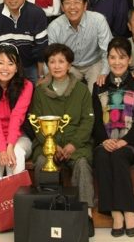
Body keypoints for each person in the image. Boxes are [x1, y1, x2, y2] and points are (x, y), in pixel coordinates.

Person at [30, 43, 96, 237]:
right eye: (52, 61)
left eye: (61, 61)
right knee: (42, 162)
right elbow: (35, 122)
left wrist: (72, 144)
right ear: (47, 65)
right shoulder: (40, 91)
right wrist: (52, 145)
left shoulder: (82, 90)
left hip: (77, 144)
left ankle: (86, 215)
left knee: (82, 164)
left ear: (69, 65)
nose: (57, 66)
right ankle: (48, 213)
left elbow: (87, 121)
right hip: (47, 144)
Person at [92, 37, 134, 237]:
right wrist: (104, 140)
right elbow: (96, 121)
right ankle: (115, 212)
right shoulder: (99, 86)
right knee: (100, 156)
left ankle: (128, 210)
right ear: (107, 59)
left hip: (131, 141)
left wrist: (125, 141)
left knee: (118, 156)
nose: (117, 62)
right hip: (106, 139)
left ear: (130, 60)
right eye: (113, 57)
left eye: (122, 57)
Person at [0, 43, 33, 183]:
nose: (5, 68)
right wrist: (2, 149)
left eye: (10, 63)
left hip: (19, 137)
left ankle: (15, 203)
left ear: (17, 68)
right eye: (1, 63)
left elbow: (17, 117)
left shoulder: (26, 86)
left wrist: (10, 146)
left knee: (17, 154)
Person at [47, 0, 113, 92]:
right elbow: (51, 56)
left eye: (77, 2)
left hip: (94, 63)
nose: (72, 7)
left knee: (98, 94)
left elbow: (107, 50)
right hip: (69, 65)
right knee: (64, 93)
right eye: (67, 2)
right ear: (62, 7)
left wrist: (104, 72)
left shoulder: (98, 20)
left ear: (85, 5)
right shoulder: (54, 27)